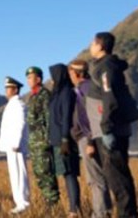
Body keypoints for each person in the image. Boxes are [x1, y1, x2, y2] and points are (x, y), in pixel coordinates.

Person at [89, 32, 138, 218]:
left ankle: (128, 215)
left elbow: (109, 98)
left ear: (100, 46)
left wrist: (106, 128)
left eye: (93, 43)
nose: (90, 46)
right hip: (110, 129)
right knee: (117, 179)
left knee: (118, 179)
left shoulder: (106, 68)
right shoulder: (104, 66)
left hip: (111, 130)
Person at [69, 59, 112, 218]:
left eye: (71, 73)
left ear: (76, 73)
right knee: (95, 178)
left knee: (96, 179)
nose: (70, 76)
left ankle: (100, 213)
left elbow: (91, 118)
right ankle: (101, 212)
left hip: (88, 139)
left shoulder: (86, 90)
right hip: (87, 138)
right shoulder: (84, 88)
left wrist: (90, 141)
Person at [48, 63, 82, 217]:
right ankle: (72, 207)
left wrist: (64, 139)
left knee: (70, 174)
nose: (51, 79)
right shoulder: (56, 93)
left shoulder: (67, 93)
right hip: (56, 140)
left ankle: (74, 209)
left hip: (65, 140)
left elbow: (66, 117)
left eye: (53, 76)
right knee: (65, 174)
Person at [25, 66, 60, 208]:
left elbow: (48, 118)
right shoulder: (33, 96)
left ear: (38, 79)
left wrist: (47, 139)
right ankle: (48, 202)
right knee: (39, 174)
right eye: (27, 78)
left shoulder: (44, 95)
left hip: (43, 142)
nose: (28, 80)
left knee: (47, 174)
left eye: (30, 77)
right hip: (35, 142)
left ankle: (52, 205)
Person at [0, 76, 30, 214]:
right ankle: (19, 202)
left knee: (19, 173)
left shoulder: (18, 105)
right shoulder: (11, 104)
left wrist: (16, 142)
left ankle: (23, 202)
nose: (6, 91)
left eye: (8, 88)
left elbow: (20, 123)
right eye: (6, 88)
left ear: (15, 89)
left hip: (15, 146)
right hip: (10, 145)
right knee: (14, 174)